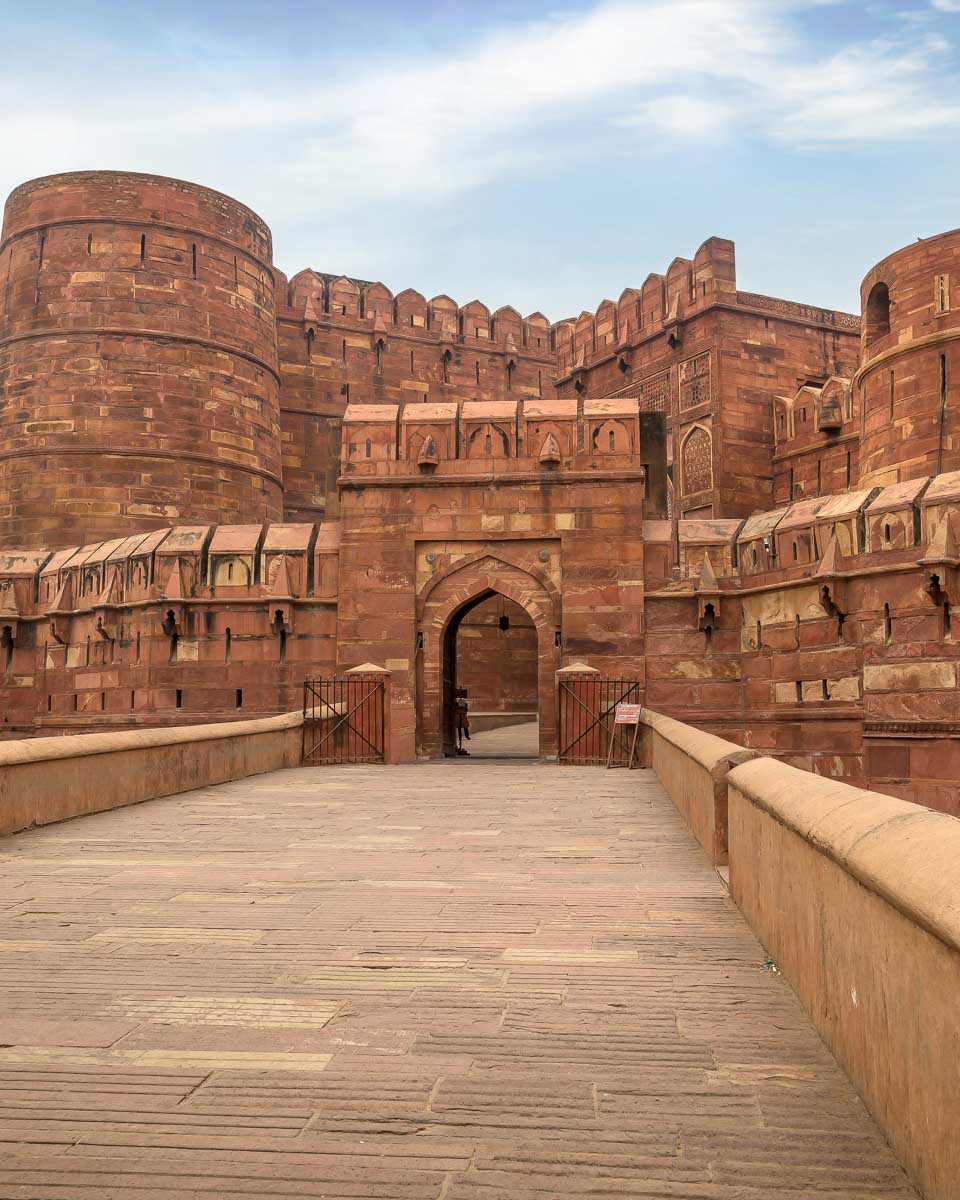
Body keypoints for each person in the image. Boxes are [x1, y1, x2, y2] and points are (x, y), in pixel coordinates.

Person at [455, 687, 471, 755]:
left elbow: (466, 709)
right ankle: (460, 736)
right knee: (459, 727)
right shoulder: (457, 702)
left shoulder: (464, 702)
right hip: (459, 715)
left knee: (465, 726)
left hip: (462, 715)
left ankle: (466, 735)